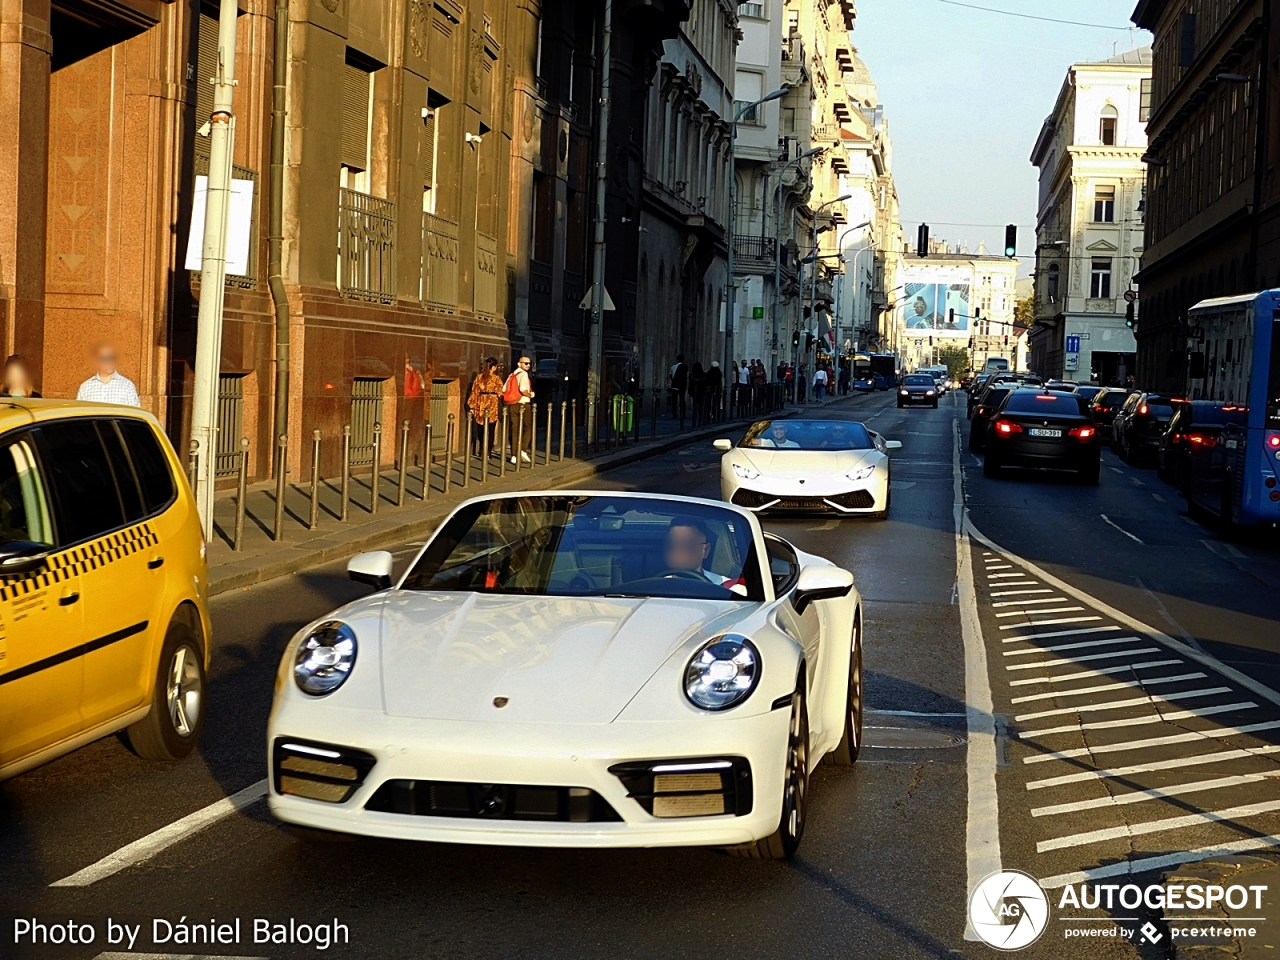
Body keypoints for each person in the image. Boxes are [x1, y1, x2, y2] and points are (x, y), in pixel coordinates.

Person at [662, 516, 729, 585]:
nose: (678, 552)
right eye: (672, 545)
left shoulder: (727, 588)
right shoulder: (657, 587)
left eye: (689, 545)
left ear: (705, 550)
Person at [76, 344, 140, 406]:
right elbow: (79, 413)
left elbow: (136, 414)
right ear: (97, 361)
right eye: (106, 358)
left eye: (112, 357)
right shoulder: (85, 387)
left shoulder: (127, 386)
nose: (110, 361)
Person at [467, 357, 503, 457]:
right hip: (493, 403)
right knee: (491, 429)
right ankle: (489, 451)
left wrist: (472, 406)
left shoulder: (479, 377)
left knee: (481, 427)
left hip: (481, 402)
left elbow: (474, 391)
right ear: (494, 367)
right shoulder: (496, 379)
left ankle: (482, 446)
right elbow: (500, 392)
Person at [503, 355, 535, 464]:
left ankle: (513, 455)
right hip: (523, 404)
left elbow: (504, 389)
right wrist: (530, 395)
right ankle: (523, 449)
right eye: (525, 363)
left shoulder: (512, 375)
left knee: (514, 429)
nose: (528, 365)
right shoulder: (523, 374)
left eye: (529, 363)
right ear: (519, 364)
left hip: (512, 404)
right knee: (528, 427)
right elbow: (522, 389)